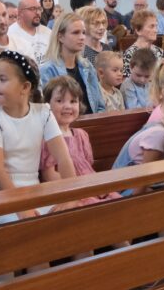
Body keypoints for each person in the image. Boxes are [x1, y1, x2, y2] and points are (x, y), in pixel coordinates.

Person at [0, 51, 76, 220]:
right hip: (3, 196)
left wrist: (71, 198)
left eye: (2, 80)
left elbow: (63, 158)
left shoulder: (43, 113)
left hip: (34, 190)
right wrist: (21, 207)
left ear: (25, 87)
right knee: (27, 226)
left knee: (72, 217)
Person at [39, 77, 123, 205]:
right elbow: (50, 176)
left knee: (119, 201)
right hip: (69, 192)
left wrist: (97, 186)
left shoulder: (81, 135)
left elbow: (87, 167)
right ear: (47, 105)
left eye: (73, 101)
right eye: (60, 101)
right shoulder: (48, 139)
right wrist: (81, 188)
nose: (67, 106)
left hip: (92, 185)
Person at [39, 12, 106, 115]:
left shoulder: (87, 66)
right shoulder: (47, 70)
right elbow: (46, 111)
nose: (82, 37)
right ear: (60, 37)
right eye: (76, 33)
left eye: (83, 32)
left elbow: (100, 106)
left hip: (91, 125)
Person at [10, 0, 53, 64]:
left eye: (39, 9)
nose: (38, 12)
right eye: (32, 9)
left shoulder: (48, 33)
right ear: (20, 12)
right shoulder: (10, 34)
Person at [121, 10, 163, 76]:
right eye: (151, 26)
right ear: (138, 30)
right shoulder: (130, 54)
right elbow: (127, 81)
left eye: (156, 26)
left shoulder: (159, 51)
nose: (156, 30)